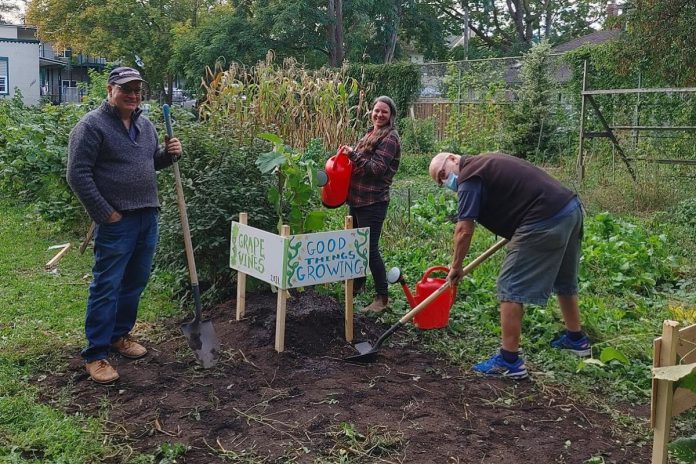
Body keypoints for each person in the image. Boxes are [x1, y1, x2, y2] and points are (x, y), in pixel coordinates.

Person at [428, 151, 591, 379]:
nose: (446, 182)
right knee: (564, 279)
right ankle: (577, 340)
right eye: (440, 181)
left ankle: (509, 361)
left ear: (454, 159)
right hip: (569, 209)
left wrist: (456, 266)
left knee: (510, 284)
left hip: (544, 219)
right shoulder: (484, 164)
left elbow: (464, 230)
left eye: (443, 174)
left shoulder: (469, 177)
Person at [67, 67, 182, 384]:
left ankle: (119, 336)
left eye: (137, 90)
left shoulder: (145, 126)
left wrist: (167, 155)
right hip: (116, 221)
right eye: (126, 89)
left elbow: (147, 163)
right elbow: (78, 175)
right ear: (110, 90)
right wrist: (105, 213)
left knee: (135, 281)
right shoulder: (91, 126)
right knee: (107, 285)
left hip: (147, 216)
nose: (133, 95)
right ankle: (96, 354)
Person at [340, 96, 401, 313]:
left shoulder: (390, 138)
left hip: (373, 202)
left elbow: (376, 169)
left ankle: (382, 298)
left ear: (391, 115)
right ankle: (357, 283)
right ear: (371, 112)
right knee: (355, 244)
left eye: (384, 112)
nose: (379, 115)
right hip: (357, 199)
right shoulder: (371, 133)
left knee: (369, 249)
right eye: (376, 110)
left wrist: (354, 155)